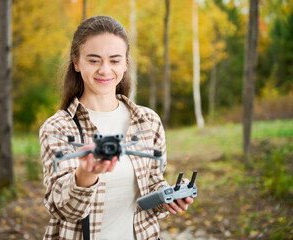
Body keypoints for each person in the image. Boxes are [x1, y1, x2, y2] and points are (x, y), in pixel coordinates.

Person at [39, 15, 194, 240]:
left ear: (125, 63)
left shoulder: (148, 122)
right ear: (76, 62)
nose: (104, 70)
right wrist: (84, 175)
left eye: (114, 60)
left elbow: (151, 184)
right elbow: (63, 210)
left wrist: (169, 197)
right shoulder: (58, 127)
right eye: (93, 60)